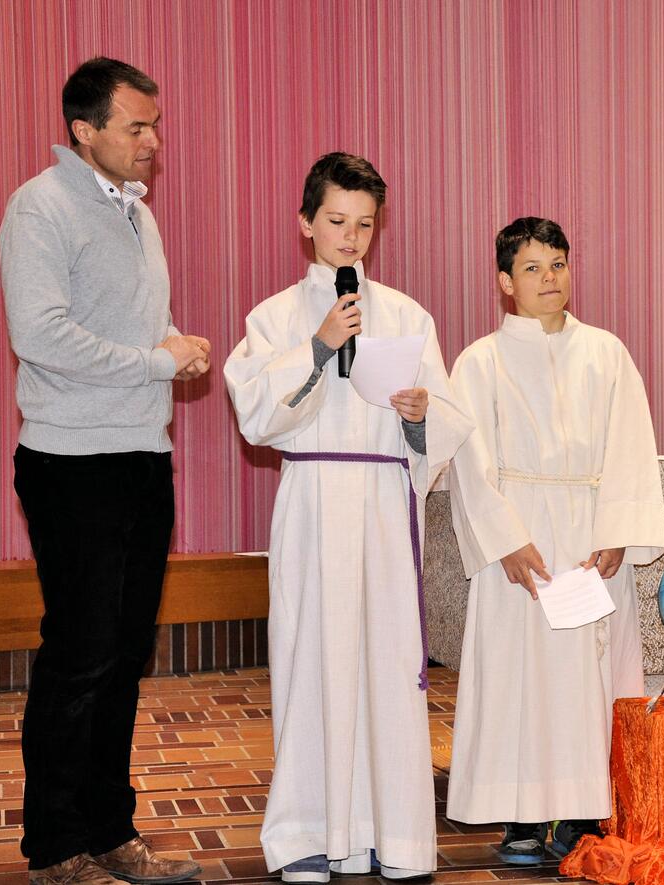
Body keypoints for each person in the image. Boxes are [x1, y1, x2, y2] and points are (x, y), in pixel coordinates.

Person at [223, 152, 472, 883]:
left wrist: (423, 415)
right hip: (313, 502)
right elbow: (257, 415)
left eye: (365, 224)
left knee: (389, 669)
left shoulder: (406, 314)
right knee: (311, 660)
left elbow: (448, 421)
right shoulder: (274, 316)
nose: (351, 237)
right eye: (336, 221)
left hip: (384, 506)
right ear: (306, 223)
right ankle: (307, 832)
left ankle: (391, 834)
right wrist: (321, 343)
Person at [0, 57, 209, 885]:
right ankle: (54, 845)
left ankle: (109, 827)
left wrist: (172, 347)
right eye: (136, 125)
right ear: (83, 130)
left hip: (141, 457)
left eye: (156, 124)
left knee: (124, 653)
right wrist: (156, 362)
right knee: (79, 653)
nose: (153, 140)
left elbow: (135, 330)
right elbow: (39, 334)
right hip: (68, 461)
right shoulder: (39, 207)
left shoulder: (136, 214)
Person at [445, 217, 664, 862]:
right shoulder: (479, 362)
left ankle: (584, 809)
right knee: (519, 679)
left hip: (589, 543)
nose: (550, 279)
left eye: (560, 264)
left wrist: (618, 534)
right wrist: (506, 542)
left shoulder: (606, 353)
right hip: (522, 546)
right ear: (504, 282)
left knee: (588, 680)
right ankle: (520, 815)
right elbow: (468, 464)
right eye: (534, 268)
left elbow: (631, 444)